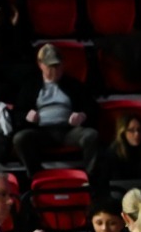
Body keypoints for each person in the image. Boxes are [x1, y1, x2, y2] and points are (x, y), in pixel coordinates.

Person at [12, 44, 102, 182]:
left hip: (68, 131)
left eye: (57, 66)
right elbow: (17, 112)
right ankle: (35, 174)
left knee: (91, 136)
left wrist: (82, 116)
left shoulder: (73, 84)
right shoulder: (30, 86)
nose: (54, 71)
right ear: (40, 64)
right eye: (50, 67)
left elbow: (92, 107)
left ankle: (92, 179)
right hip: (41, 132)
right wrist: (27, 117)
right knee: (20, 139)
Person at [107, 112, 141, 185]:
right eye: (131, 130)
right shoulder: (114, 152)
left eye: (139, 130)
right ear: (123, 132)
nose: (137, 134)